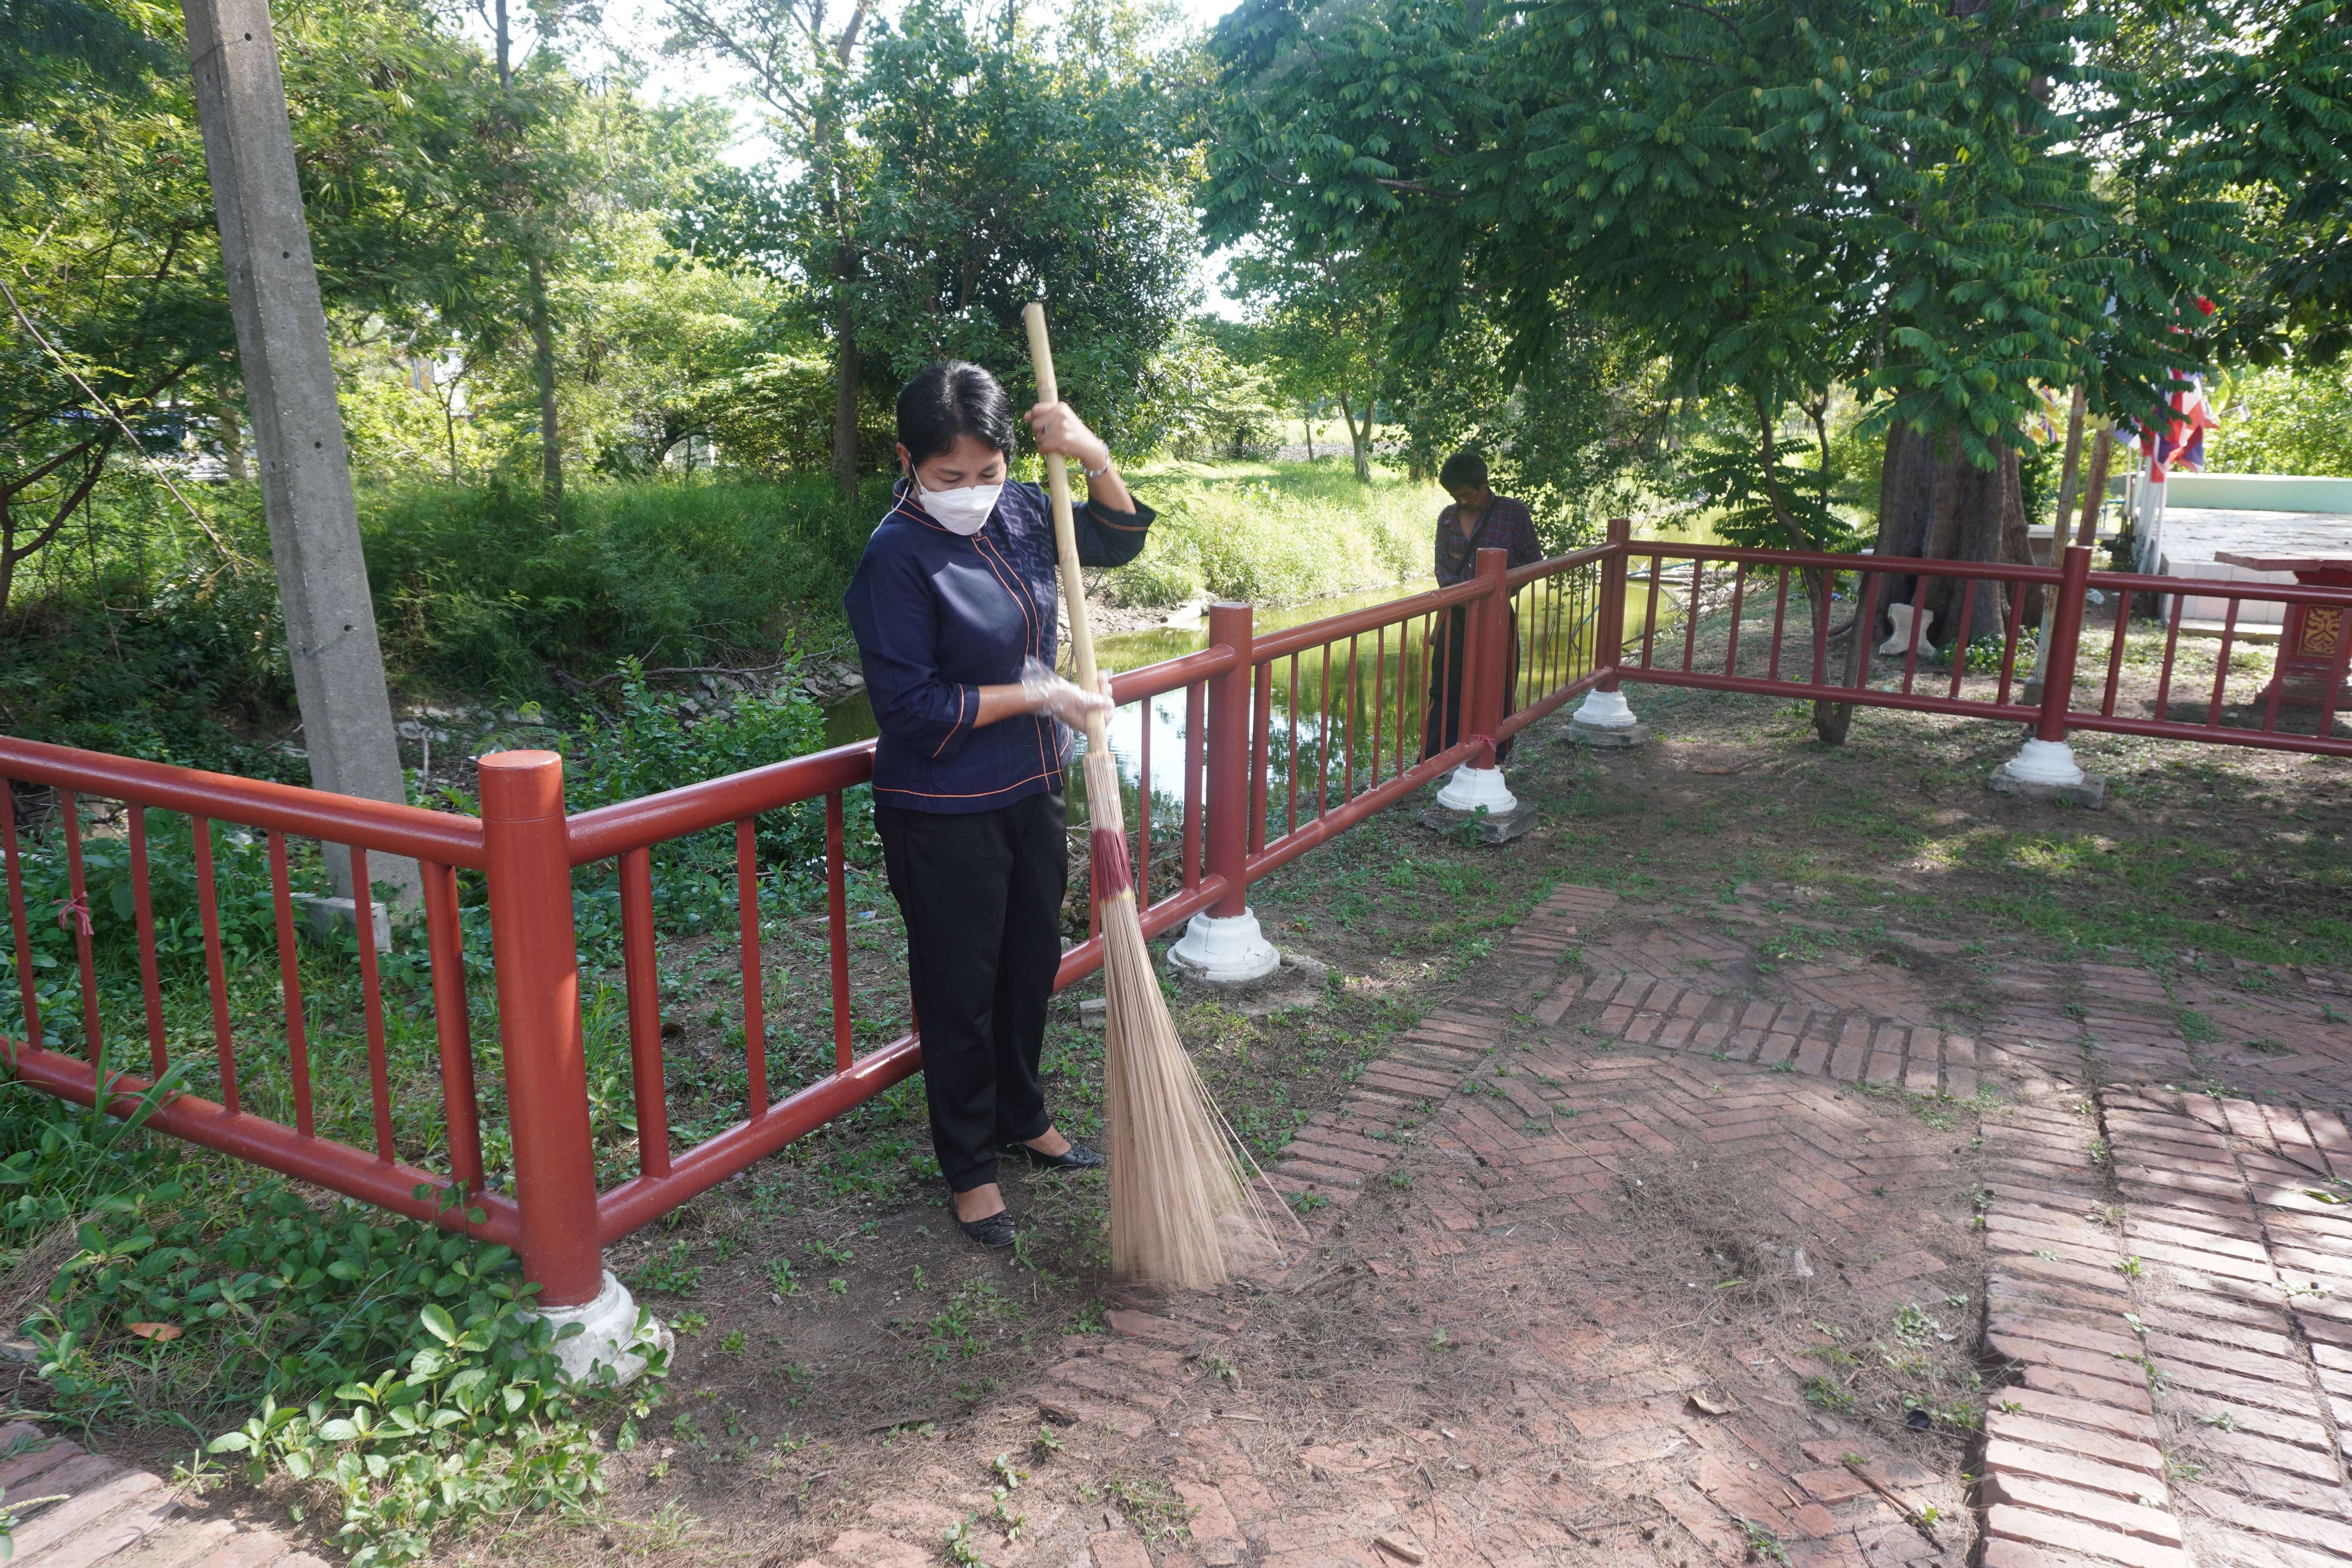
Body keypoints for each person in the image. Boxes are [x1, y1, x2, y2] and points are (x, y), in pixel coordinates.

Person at [842, 361, 1154, 1249]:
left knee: (1028, 966)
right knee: (960, 989)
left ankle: (1023, 1113)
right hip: (941, 807)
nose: (973, 493)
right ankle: (970, 1165)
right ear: (908, 461)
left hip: (1030, 787)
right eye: (950, 478)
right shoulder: (894, 557)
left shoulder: (1022, 508)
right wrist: (1040, 694)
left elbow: (1117, 538)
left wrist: (1092, 454)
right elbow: (912, 709)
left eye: (988, 471)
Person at [1423, 450, 1541, 764]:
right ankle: (1436, 758)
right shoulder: (1447, 518)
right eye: (1455, 496)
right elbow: (1442, 568)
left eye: (1467, 494)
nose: (1462, 501)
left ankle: (1495, 753)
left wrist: (1499, 591)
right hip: (1456, 616)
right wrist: (1460, 595)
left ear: (1483, 484)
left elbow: (1533, 562)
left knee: (1498, 684)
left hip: (1498, 614)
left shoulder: (1513, 513)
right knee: (1445, 687)